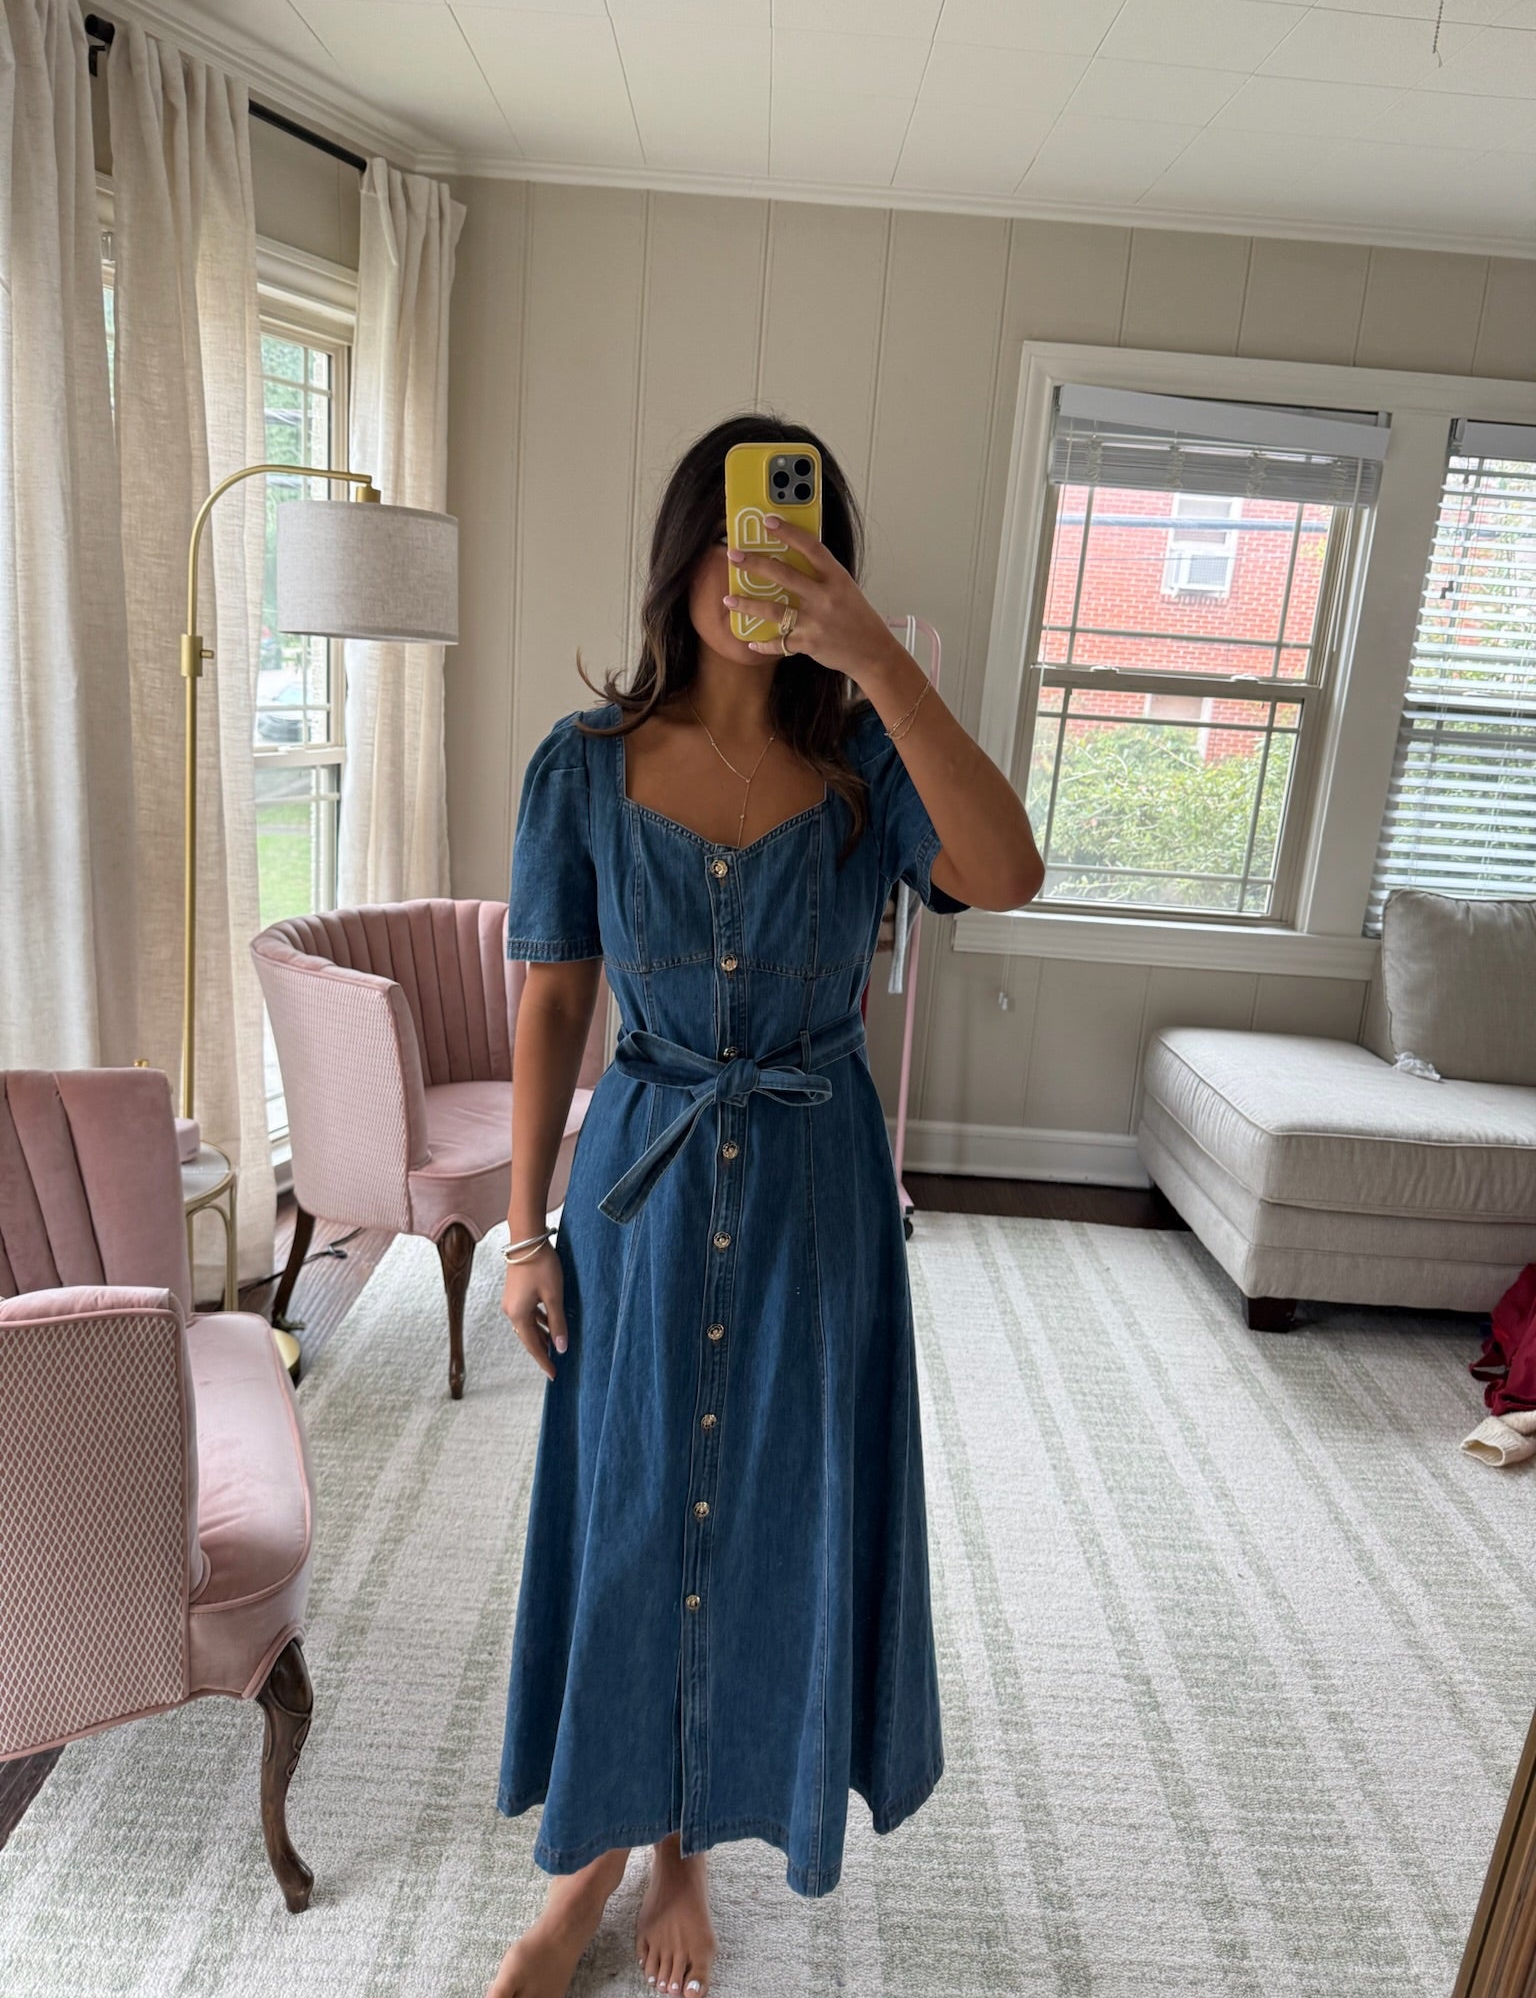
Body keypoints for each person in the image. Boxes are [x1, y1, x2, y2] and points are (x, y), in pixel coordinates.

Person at [487, 414, 1043, 1998]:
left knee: (776, 1516)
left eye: (796, 543)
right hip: (642, 1191)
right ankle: (591, 1869)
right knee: (633, 1514)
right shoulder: (582, 767)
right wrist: (523, 1233)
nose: (760, 569)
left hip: (814, 1196)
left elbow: (1007, 872)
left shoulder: (870, 764)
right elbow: (551, 1001)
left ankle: (689, 1847)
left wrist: (876, 657)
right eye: (737, 537)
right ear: (684, 555)